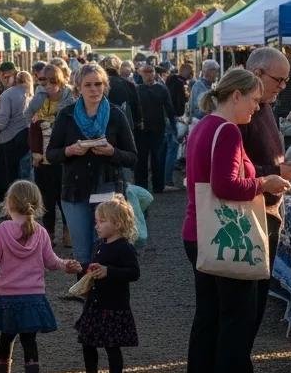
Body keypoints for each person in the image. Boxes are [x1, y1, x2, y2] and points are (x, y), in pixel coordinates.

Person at [183, 69, 291, 373]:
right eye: (254, 101)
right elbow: (226, 185)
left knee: (209, 318)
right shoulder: (227, 130)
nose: (256, 109)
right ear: (236, 96)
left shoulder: (203, 126)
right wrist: (264, 182)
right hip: (223, 234)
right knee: (234, 320)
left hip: (198, 231)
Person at [0, 180, 82, 373]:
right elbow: (51, 262)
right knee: (29, 339)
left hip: (8, 296)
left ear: (8, 203)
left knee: (6, 336)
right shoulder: (40, 232)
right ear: (36, 204)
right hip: (33, 296)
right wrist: (66, 265)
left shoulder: (2, 230)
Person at [242, 46, 291, 373]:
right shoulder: (245, 114)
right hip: (253, 214)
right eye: (279, 79)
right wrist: (274, 173)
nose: (283, 86)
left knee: (257, 302)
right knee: (248, 303)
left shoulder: (263, 110)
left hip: (268, 210)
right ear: (258, 74)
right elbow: (239, 172)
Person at [46, 64, 138, 266]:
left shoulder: (116, 115)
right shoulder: (67, 115)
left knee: (104, 247)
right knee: (81, 251)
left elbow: (132, 157)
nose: (94, 89)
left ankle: (104, 295)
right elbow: (51, 154)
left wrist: (112, 152)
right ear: (78, 87)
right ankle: (84, 294)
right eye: (88, 85)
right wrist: (69, 150)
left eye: (98, 84)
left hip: (107, 187)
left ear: (105, 86)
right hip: (74, 190)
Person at [74, 196, 141, 373]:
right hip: (94, 303)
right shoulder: (99, 244)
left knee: (112, 346)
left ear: (118, 223)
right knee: (88, 342)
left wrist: (109, 271)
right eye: (97, 221)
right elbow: (94, 267)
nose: (97, 226)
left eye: (101, 221)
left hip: (113, 305)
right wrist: (82, 269)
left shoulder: (124, 248)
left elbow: (134, 273)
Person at [27, 64, 73, 239]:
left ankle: (69, 231)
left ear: (60, 80)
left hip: (63, 156)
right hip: (42, 157)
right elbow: (31, 124)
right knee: (46, 199)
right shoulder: (39, 98)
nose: (48, 85)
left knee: (64, 197)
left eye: (52, 81)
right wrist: (35, 151)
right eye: (43, 81)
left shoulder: (70, 98)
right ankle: (48, 234)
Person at [0, 71, 34, 218]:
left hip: (9, 138)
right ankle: (24, 206)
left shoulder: (8, 94)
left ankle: (10, 209)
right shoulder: (29, 94)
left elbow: (2, 119)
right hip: (25, 136)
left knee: (9, 176)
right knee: (23, 175)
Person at [133, 64, 174, 192]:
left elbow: (169, 107)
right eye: (145, 72)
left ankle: (158, 186)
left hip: (158, 128)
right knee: (141, 159)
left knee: (158, 158)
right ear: (141, 74)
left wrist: (173, 123)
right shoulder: (136, 89)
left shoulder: (161, 89)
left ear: (154, 73)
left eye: (150, 72)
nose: (148, 75)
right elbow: (132, 108)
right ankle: (141, 186)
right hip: (141, 129)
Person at [164, 63, 191, 188]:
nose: (190, 74)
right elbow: (179, 101)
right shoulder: (179, 83)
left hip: (167, 117)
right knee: (173, 148)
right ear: (184, 71)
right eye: (189, 71)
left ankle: (165, 178)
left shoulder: (170, 80)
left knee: (168, 148)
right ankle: (168, 180)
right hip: (174, 117)